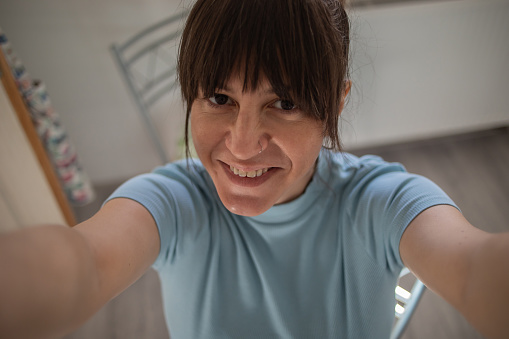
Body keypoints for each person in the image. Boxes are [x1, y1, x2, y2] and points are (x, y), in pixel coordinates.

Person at [1, 0, 508, 338]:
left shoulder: (383, 200)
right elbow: (83, 264)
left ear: (334, 103)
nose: (242, 146)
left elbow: (474, 269)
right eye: (219, 97)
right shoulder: (175, 202)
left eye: (284, 103)